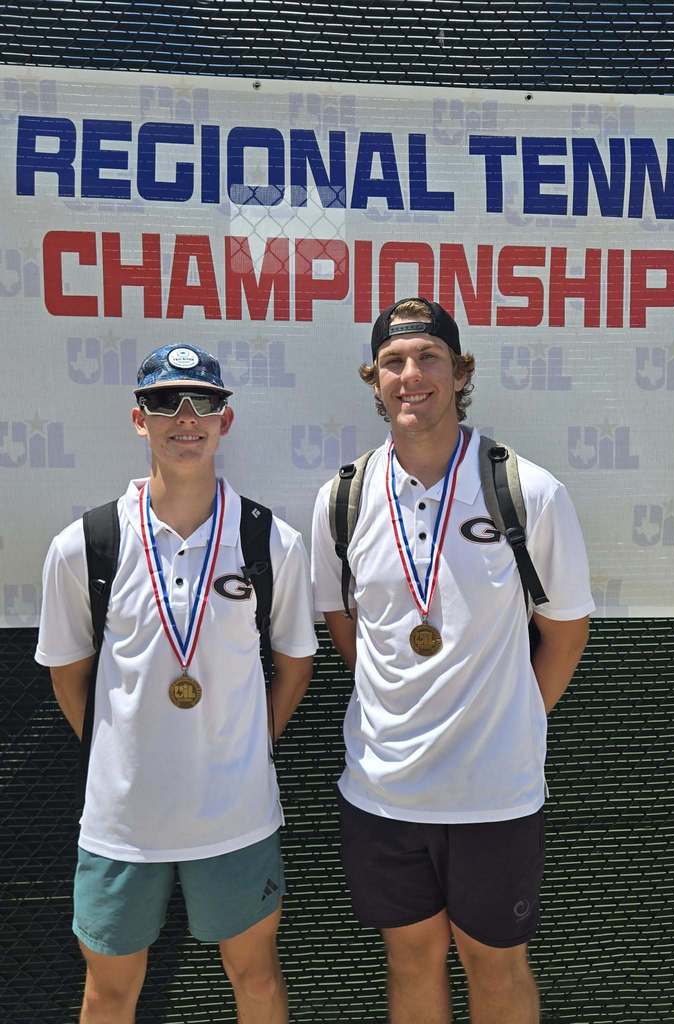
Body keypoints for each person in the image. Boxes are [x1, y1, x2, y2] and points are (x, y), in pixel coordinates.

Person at [311, 298, 595, 1024]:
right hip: (383, 791)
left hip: (493, 793)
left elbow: (565, 633)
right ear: (375, 380)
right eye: (393, 362)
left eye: (428, 357)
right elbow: (344, 621)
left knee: (494, 965)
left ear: (461, 373)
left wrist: (506, 719)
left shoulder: (527, 491)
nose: (411, 375)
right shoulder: (342, 497)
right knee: (410, 961)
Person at [35, 343, 317, 1024]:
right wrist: (124, 757)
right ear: (140, 419)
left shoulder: (272, 542)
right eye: (166, 401)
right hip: (123, 824)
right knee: (107, 994)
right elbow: (69, 677)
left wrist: (247, 746)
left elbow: (295, 663)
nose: (186, 417)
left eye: (204, 402)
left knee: (256, 979)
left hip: (237, 818)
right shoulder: (85, 544)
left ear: (226, 420)